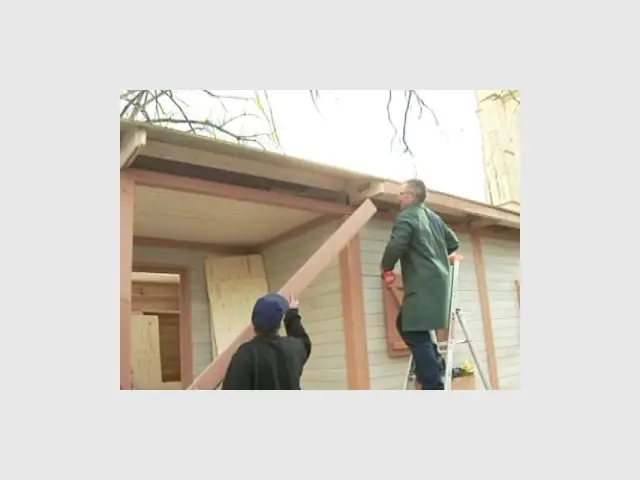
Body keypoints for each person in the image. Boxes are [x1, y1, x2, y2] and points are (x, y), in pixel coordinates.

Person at [380, 179, 460, 390]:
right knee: (406, 324)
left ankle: (434, 383)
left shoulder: (407, 217)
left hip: (422, 284)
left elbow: (397, 244)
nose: (398, 197)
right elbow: (453, 242)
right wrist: (442, 255)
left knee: (413, 332)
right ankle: (435, 361)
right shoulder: (433, 217)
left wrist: (386, 268)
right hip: (439, 282)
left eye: (401, 193)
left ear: (410, 196)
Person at [221, 293, 311, 390]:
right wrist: (292, 314)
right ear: (279, 325)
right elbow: (304, 341)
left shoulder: (245, 355)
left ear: (254, 324)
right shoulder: (294, 349)